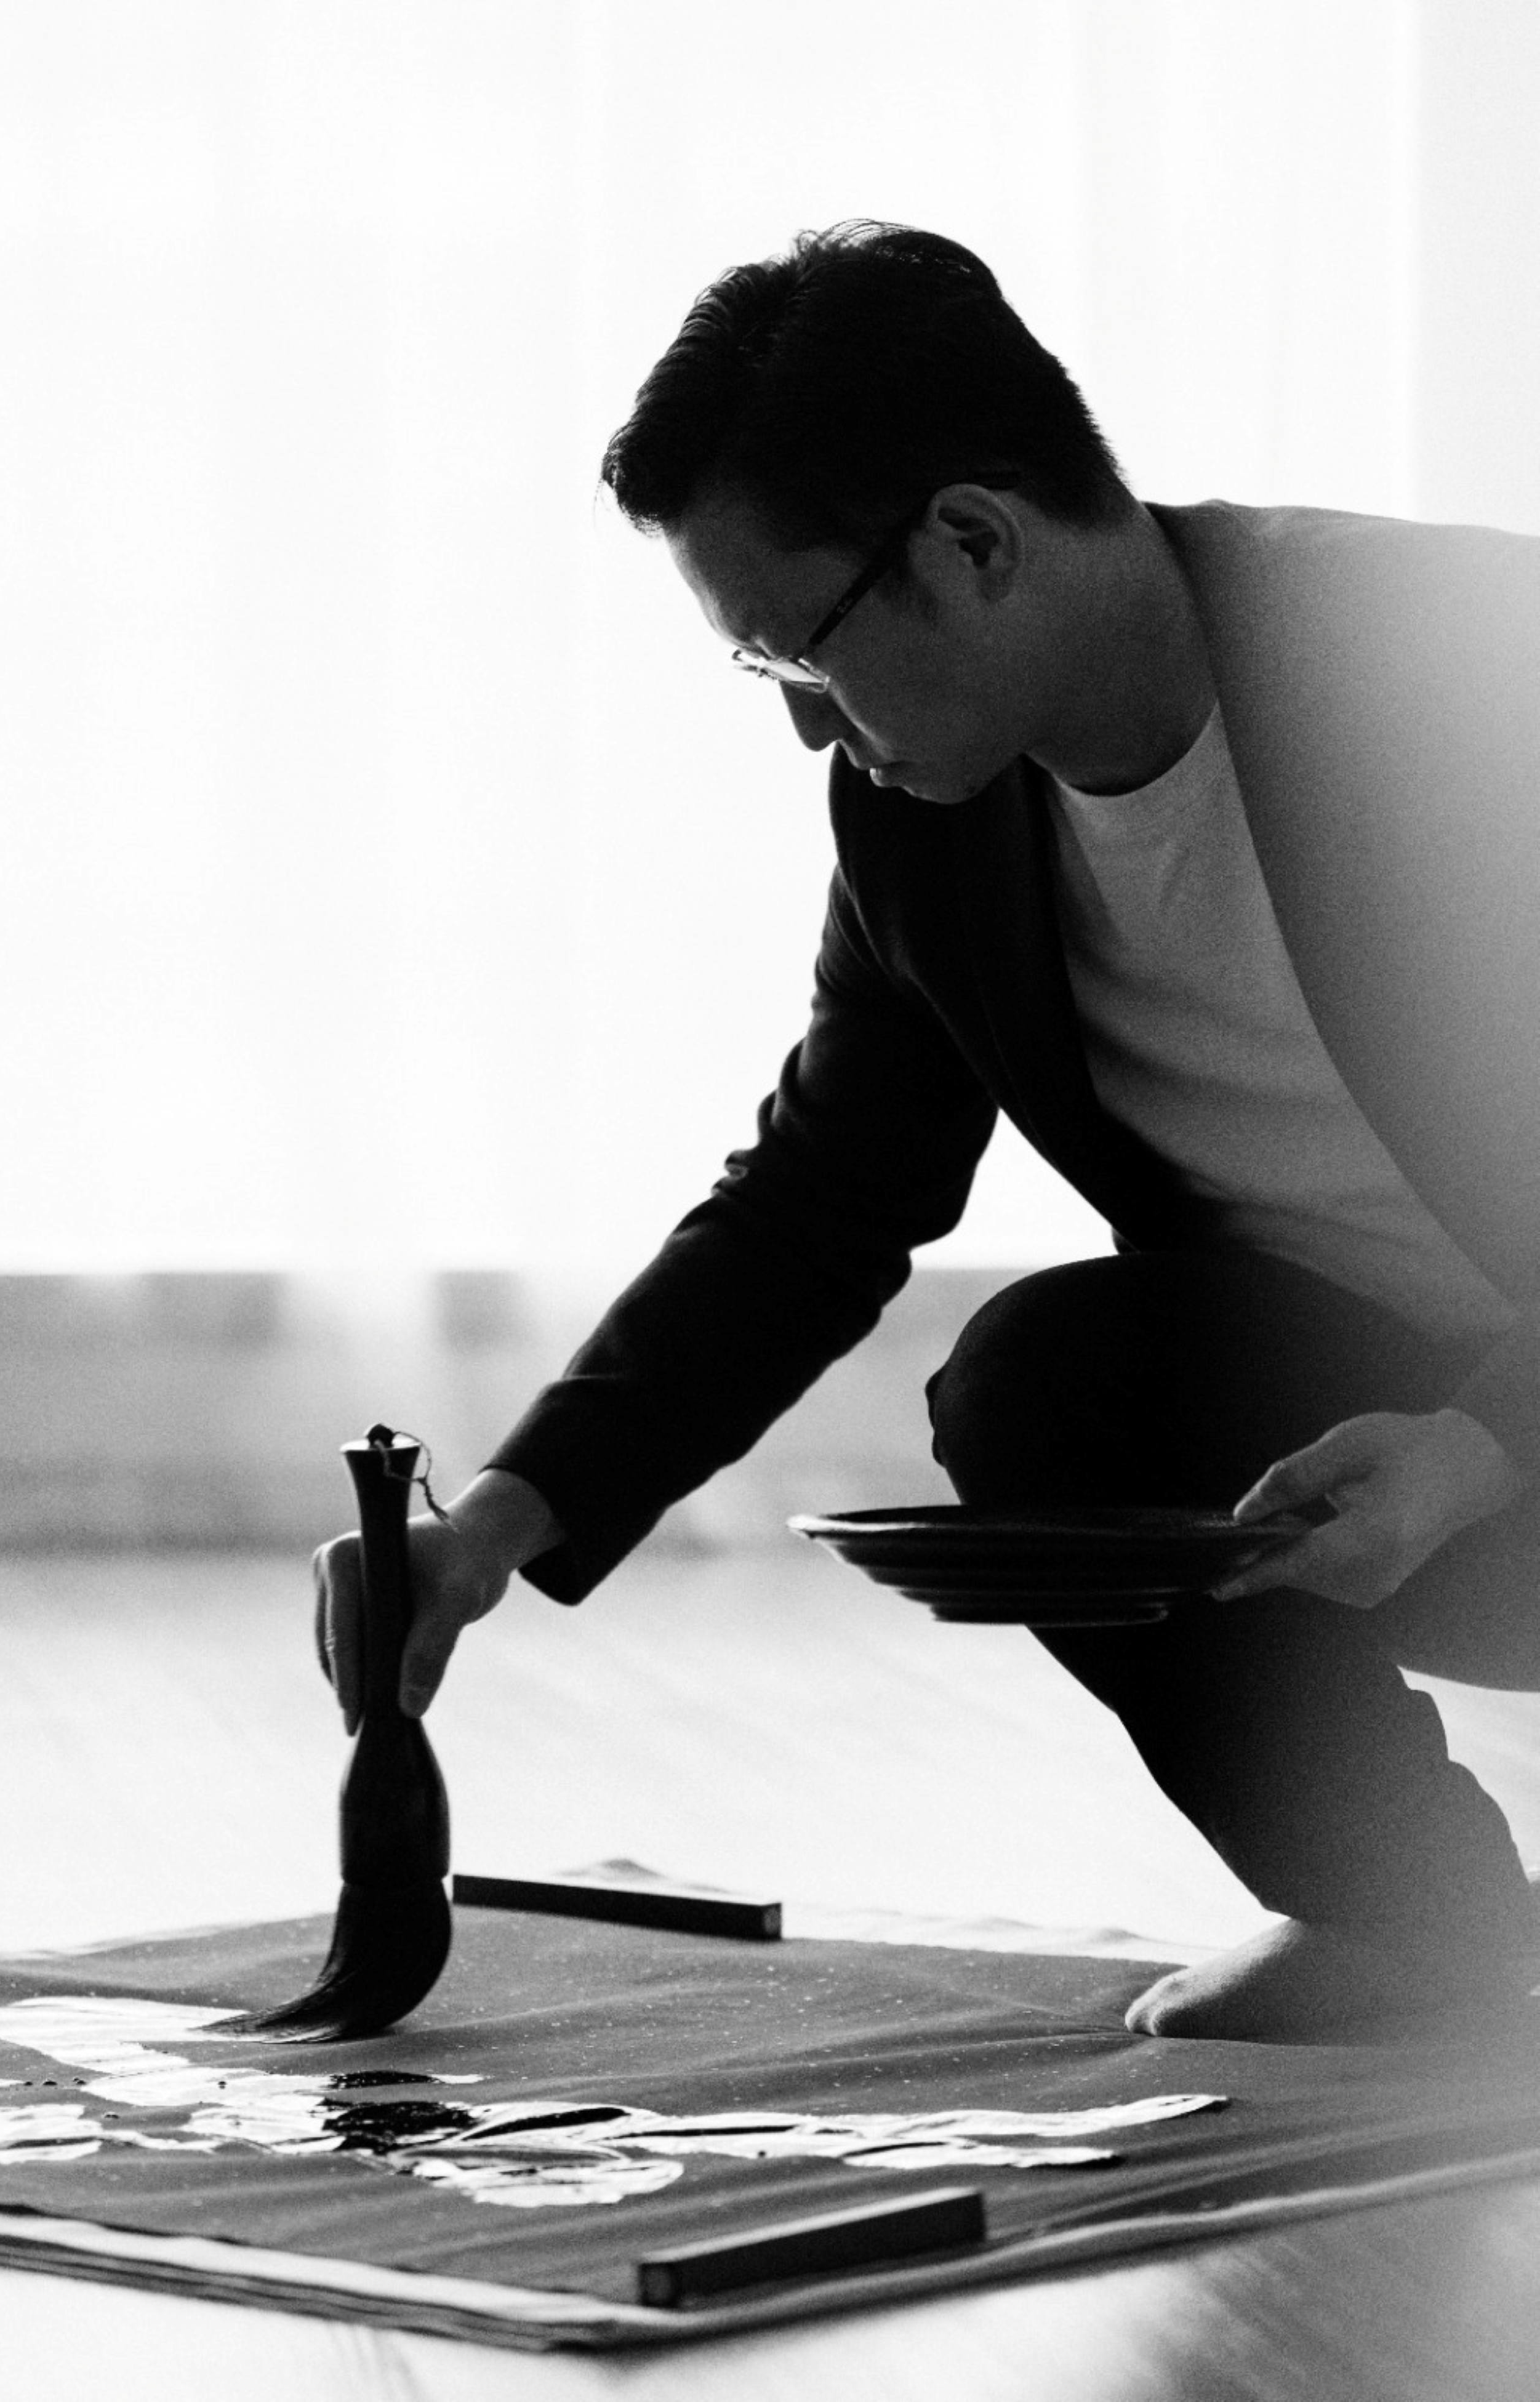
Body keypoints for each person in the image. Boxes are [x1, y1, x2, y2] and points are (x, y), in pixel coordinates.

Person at [319, 221, 1540, 2041]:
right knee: (1040, 1385)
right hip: (1392, 1465)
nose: (806, 729)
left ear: (972, 541)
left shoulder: (1463, 663)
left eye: (796, 656)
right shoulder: (929, 816)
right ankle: (1430, 1932)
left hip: (1493, 1446)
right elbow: (823, 1194)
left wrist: (1484, 1445)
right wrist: (495, 1521)